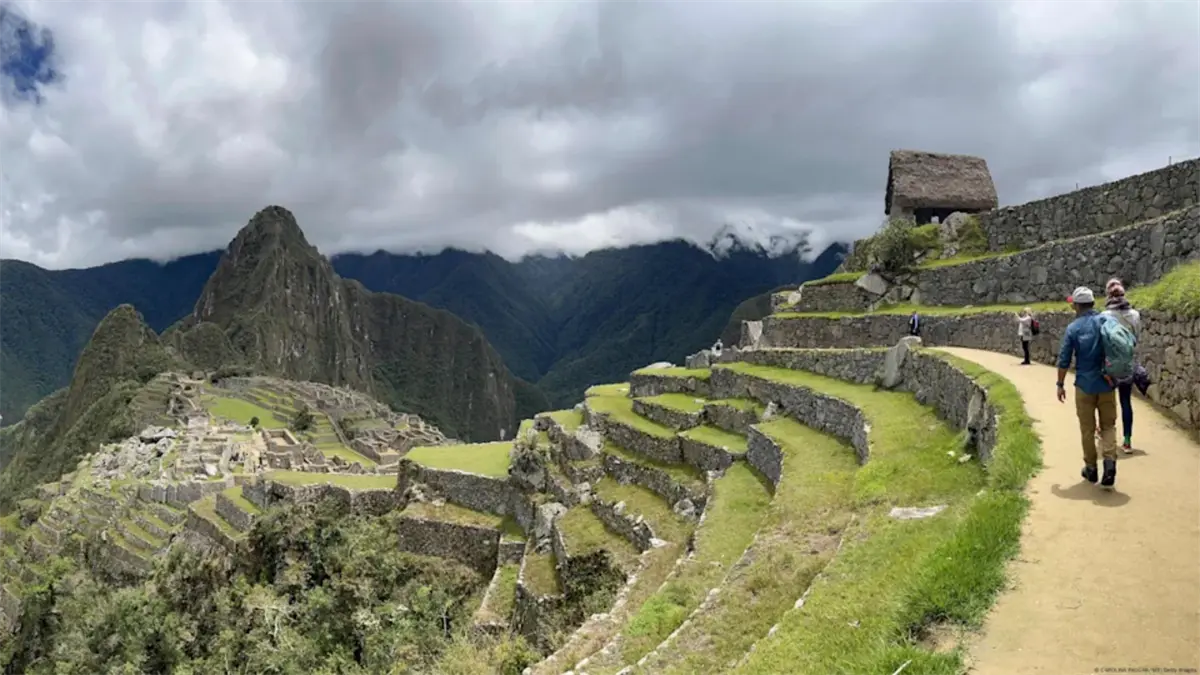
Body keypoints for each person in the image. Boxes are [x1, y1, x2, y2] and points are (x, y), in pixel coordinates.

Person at [1057, 286, 1118, 489]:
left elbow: (1064, 359)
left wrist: (1060, 384)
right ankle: (1109, 463)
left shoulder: (1073, 328)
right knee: (1108, 425)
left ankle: (1091, 468)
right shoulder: (1107, 321)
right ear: (1093, 303)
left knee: (1087, 429)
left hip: (1084, 384)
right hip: (1107, 383)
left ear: (1076, 306)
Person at [1101, 278, 1141, 453]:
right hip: (1127, 364)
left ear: (1108, 295)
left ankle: (1106, 435)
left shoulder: (1104, 316)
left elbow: (1102, 340)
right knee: (1126, 402)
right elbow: (1136, 338)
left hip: (1109, 364)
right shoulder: (1135, 315)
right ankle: (1127, 441)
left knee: (1105, 402)